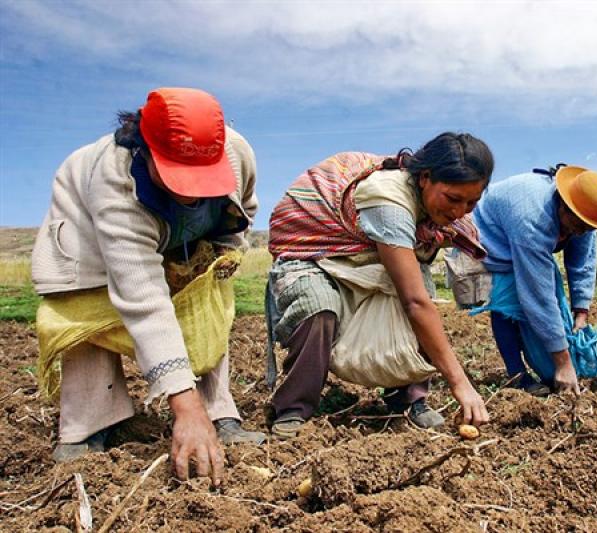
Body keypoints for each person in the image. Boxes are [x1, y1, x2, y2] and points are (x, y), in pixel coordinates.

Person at [31, 87, 265, 486]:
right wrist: (182, 408)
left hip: (186, 237)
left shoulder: (235, 151)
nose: (189, 191)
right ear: (146, 150)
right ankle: (89, 427)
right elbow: (143, 300)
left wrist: (220, 255)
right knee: (88, 315)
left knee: (204, 302)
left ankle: (218, 411)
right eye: (178, 176)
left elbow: (244, 206)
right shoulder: (115, 185)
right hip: (88, 242)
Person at [266, 133, 494, 439]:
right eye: (453, 199)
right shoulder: (388, 200)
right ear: (425, 178)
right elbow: (414, 302)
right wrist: (460, 382)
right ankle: (294, 407)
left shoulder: (439, 214)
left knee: (421, 291)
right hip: (317, 256)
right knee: (317, 307)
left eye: (471, 202)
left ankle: (409, 399)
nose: (459, 211)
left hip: (369, 258)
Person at [471, 165, 597, 396]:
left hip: (523, 237)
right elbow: (539, 297)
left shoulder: (584, 214)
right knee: (507, 303)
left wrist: (581, 309)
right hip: (491, 239)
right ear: (563, 207)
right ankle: (517, 376)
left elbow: (582, 261)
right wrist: (563, 364)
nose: (580, 232)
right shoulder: (532, 220)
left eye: (588, 228)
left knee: (551, 318)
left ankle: (547, 360)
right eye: (577, 226)